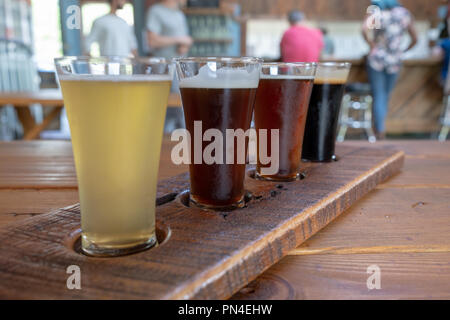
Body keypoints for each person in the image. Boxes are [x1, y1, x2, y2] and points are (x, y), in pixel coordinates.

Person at [362, 0, 418, 140]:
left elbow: (364, 29)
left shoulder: (375, 11)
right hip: (395, 59)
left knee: (378, 95)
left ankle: (379, 130)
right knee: (386, 95)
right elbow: (415, 38)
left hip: (377, 59)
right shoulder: (404, 14)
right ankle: (380, 129)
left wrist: (372, 45)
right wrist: (403, 51)